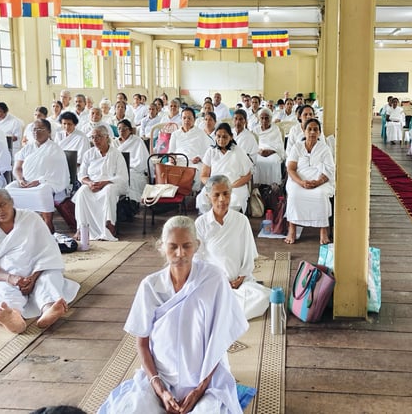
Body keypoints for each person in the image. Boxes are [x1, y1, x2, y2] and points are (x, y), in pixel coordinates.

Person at [98, 216, 247, 414]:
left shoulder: (214, 279)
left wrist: (198, 391)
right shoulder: (150, 286)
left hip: (204, 378)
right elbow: (142, 343)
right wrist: (160, 390)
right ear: (162, 247)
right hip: (161, 377)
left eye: (187, 246)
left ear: (197, 245)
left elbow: (219, 341)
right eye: (173, 247)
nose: (180, 253)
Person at [0, 189, 79, 334]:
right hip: (7, 273)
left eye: (2, 205)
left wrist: (33, 277)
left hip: (37, 269)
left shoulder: (31, 218)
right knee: (2, 289)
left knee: (49, 277)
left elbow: (48, 251)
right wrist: (11, 278)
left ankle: (48, 308)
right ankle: (14, 316)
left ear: (11, 202)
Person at [195, 175, 271, 320]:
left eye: (226, 194)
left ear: (231, 194)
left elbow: (248, 253)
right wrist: (217, 281)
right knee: (198, 300)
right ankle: (226, 313)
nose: (222, 199)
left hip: (240, 282)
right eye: (216, 195)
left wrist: (241, 278)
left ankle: (221, 314)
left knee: (261, 297)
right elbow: (198, 258)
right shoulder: (201, 223)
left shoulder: (241, 220)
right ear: (208, 196)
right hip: (213, 282)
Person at [6, 119, 70, 232]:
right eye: (34, 129)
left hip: (45, 183)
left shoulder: (55, 149)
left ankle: (48, 223)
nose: (36, 132)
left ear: (49, 132)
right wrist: (20, 180)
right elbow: (17, 168)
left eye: (40, 129)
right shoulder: (27, 148)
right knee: (8, 190)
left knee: (43, 190)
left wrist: (39, 181)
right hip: (25, 182)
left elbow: (58, 173)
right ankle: (15, 225)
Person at [73, 126, 128, 242]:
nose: (95, 140)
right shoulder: (89, 154)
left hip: (111, 184)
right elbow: (81, 174)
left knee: (109, 190)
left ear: (106, 137)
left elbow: (122, 176)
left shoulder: (116, 154)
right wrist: (89, 183)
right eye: (93, 137)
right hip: (92, 185)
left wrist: (105, 182)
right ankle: (81, 228)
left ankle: (109, 225)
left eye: (98, 137)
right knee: (82, 192)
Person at [285, 118, 334, 245]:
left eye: (315, 130)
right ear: (304, 131)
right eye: (309, 129)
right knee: (294, 194)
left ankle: (323, 229)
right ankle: (292, 228)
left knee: (320, 194)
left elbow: (329, 170)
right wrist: (301, 183)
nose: (312, 132)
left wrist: (317, 182)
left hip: (320, 181)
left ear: (319, 133)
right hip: (299, 180)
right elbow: (290, 169)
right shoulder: (297, 147)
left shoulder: (324, 149)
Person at [197, 123, 253, 215]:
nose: (221, 140)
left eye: (224, 137)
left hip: (234, 187)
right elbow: (204, 176)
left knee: (234, 201)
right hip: (214, 186)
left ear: (231, 137)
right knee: (203, 198)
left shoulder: (238, 151)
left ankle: (228, 226)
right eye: (218, 136)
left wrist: (230, 186)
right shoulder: (211, 152)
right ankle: (210, 225)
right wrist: (213, 185)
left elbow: (247, 176)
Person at [168, 108, 210, 191]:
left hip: (193, 163)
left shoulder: (200, 133)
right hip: (178, 162)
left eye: (189, 118)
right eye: (184, 118)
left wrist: (199, 157)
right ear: (181, 119)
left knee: (196, 173)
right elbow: (171, 151)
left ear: (194, 120)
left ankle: (192, 196)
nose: (186, 120)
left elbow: (207, 152)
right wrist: (172, 157)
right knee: (168, 169)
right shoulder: (175, 134)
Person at [116, 119, 149, 201]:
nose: (121, 131)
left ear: (130, 130)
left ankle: (131, 202)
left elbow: (141, 161)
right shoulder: (114, 142)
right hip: (117, 169)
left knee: (130, 176)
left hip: (134, 169)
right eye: (119, 129)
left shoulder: (137, 141)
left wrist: (128, 166)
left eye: (124, 128)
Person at [253, 108, 285, 185]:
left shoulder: (275, 129)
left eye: (266, 118)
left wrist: (271, 151)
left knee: (273, 162)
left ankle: (273, 186)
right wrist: (259, 151)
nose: (264, 120)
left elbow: (279, 144)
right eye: (262, 118)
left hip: (273, 152)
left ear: (270, 118)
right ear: (259, 118)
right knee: (255, 162)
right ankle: (257, 185)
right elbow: (253, 144)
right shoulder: (255, 129)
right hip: (258, 151)